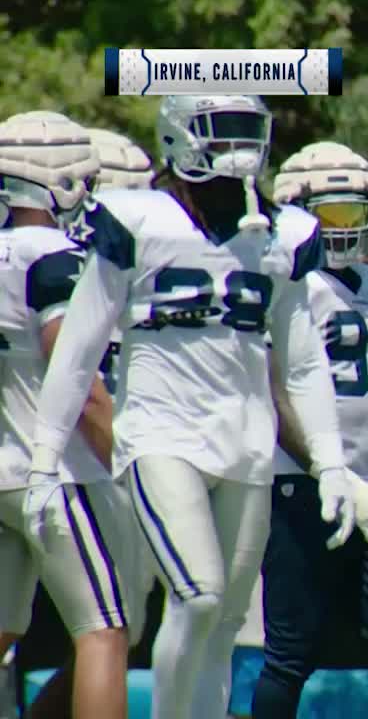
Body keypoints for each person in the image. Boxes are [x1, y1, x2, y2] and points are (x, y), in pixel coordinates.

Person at [26, 95, 368, 719]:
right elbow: (78, 347)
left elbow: (300, 362)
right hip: (160, 436)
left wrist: (330, 463)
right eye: (222, 132)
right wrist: (45, 457)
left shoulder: (281, 233)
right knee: (200, 595)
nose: (238, 149)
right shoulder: (141, 220)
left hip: (246, 444)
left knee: (225, 623)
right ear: (177, 138)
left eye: (247, 132)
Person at [252, 140, 368, 718]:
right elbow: (271, 393)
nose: (339, 230)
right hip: (298, 485)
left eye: (351, 214)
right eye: (325, 215)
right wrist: (334, 476)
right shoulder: (282, 282)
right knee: (291, 650)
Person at [20, 124, 161, 719]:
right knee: (110, 630)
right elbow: (81, 382)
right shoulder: (66, 262)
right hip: (73, 469)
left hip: (22, 462)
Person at [0, 110, 130, 719]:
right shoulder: (54, 255)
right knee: (104, 629)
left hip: (2, 466)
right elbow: (69, 363)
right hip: (53, 475)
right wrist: (126, 460)